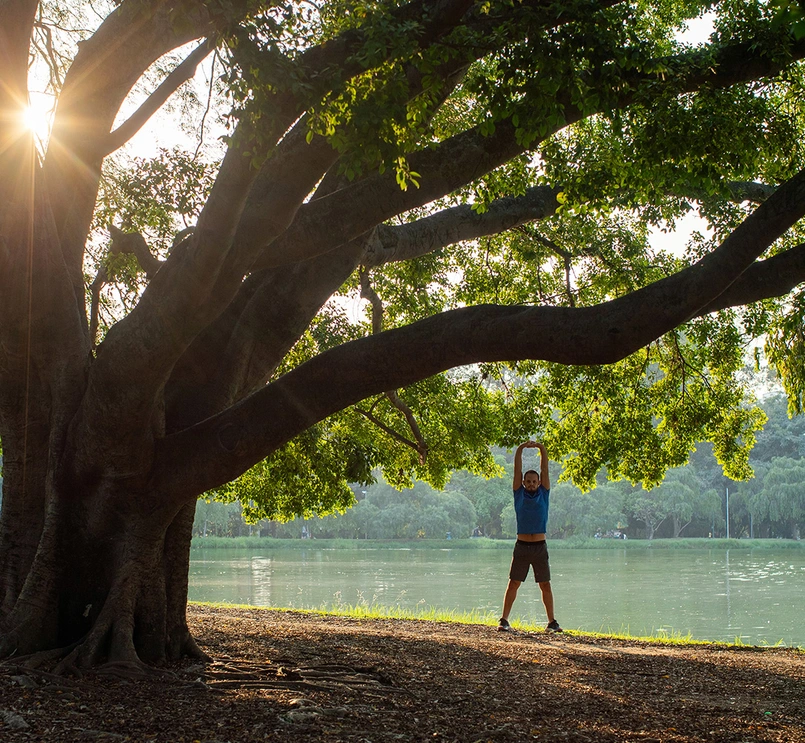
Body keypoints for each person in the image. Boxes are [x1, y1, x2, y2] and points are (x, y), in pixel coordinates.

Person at [498, 440, 562, 633]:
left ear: (539, 483)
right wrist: (520, 449)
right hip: (522, 546)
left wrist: (542, 448)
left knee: (545, 585)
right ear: (524, 483)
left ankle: (552, 622)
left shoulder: (544, 493)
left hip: (540, 546)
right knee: (514, 582)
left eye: (535, 481)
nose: (532, 484)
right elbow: (516, 470)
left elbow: (545, 468)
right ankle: (504, 620)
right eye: (529, 481)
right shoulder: (519, 494)